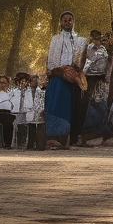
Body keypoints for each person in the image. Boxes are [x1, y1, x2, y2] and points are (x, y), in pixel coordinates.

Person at [44, 11, 87, 148]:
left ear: (73, 22)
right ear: (60, 23)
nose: (67, 22)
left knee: (76, 104)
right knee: (57, 102)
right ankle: (56, 136)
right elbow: (51, 61)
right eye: (65, 20)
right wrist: (61, 71)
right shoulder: (55, 39)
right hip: (58, 76)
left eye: (70, 20)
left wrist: (75, 73)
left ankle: (72, 137)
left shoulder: (81, 40)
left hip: (75, 77)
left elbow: (83, 61)